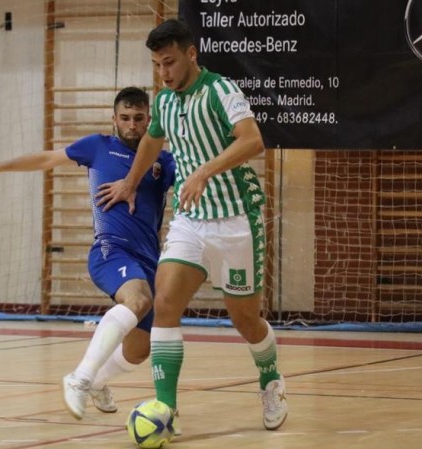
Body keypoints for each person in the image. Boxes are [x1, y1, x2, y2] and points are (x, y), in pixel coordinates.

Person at [96, 19, 288, 432]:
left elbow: (252, 140)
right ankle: (166, 409)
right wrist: (130, 183)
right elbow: (152, 141)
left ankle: (270, 380)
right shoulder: (164, 102)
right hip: (192, 220)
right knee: (164, 303)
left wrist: (203, 171)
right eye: (156, 64)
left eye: (169, 62)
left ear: (191, 54)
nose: (163, 72)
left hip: (237, 219)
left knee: (245, 320)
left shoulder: (221, 90)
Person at [0, 87, 175, 420]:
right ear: (114, 119)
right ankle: (79, 378)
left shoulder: (163, 161)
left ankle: (97, 380)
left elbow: (191, 180)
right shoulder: (98, 147)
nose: (132, 125)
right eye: (125, 118)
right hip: (111, 250)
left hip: (149, 260)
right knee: (137, 301)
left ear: (149, 120)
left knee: (139, 350)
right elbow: (47, 158)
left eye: (139, 119)